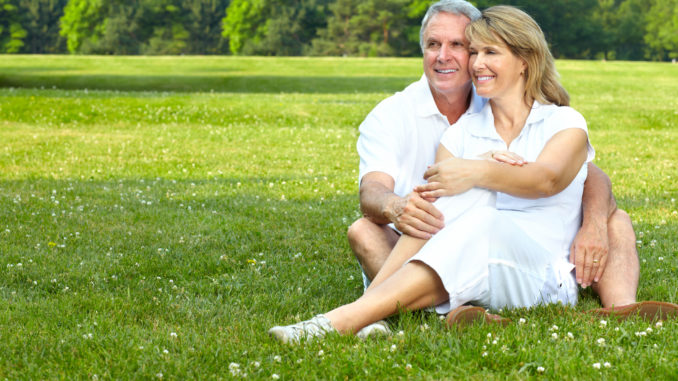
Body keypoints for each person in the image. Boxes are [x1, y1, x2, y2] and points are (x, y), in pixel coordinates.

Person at [268, 5, 671, 344]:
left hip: (544, 275)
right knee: (450, 202)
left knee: (475, 203)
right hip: (485, 266)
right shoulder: (461, 133)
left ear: (525, 61)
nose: (476, 63)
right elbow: (427, 212)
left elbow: (549, 179)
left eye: (488, 52)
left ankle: (337, 322)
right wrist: (478, 171)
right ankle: (370, 312)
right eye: (474, 52)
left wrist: (481, 170)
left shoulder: (564, 122)